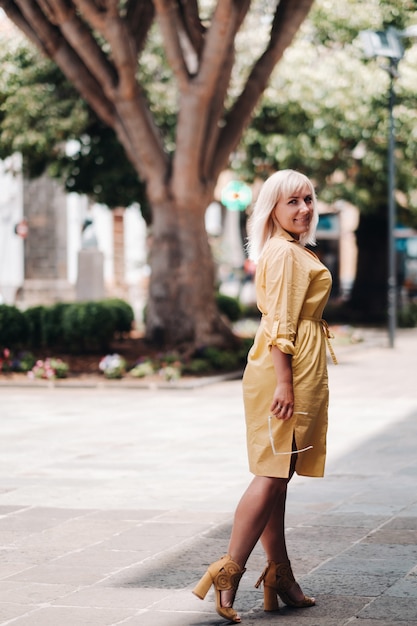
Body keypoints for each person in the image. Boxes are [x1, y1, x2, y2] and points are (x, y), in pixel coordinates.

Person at [193, 169, 337, 623]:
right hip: (285, 370)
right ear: (273, 208)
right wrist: (285, 383)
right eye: (292, 201)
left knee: (281, 470)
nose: (304, 209)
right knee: (273, 475)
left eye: (309, 199)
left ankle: (280, 575)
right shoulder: (284, 253)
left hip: (294, 367)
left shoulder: (292, 250)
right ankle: (228, 571)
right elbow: (281, 324)